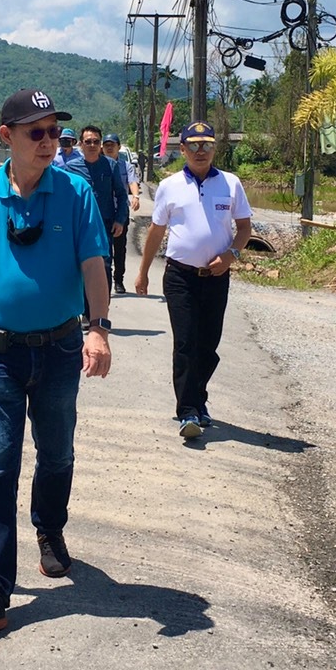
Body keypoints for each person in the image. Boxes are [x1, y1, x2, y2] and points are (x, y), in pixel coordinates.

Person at [0, 88, 113, 633]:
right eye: (36, 132)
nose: (48, 141)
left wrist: (98, 329)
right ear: (6, 137)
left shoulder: (76, 192)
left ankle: (49, 527)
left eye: (54, 131)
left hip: (59, 349)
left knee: (57, 453)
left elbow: (93, 263)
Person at [135, 121, 252, 440]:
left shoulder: (230, 183)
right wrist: (143, 272)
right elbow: (156, 231)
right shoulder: (169, 186)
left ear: (214, 149)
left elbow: (244, 229)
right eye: (194, 145)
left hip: (216, 277)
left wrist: (230, 256)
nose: (201, 151)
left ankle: (199, 400)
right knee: (186, 342)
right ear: (183, 149)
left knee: (208, 345)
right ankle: (187, 410)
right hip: (180, 276)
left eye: (207, 145)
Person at [65, 125, 128, 307]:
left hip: (104, 225)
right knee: (80, 266)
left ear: (100, 144)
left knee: (104, 266)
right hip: (79, 225)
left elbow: (121, 195)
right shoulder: (71, 168)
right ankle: (84, 311)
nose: (92, 145)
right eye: (88, 142)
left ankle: (101, 310)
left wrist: (120, 220)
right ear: (80, 144)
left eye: (96, 141)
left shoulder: (111, 165)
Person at [103, 133, 140, 293]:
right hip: (102, 212)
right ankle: (104, 281)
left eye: (112, 145)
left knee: (119, 249)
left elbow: (132, 181)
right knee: (104, 249)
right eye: (106, 145)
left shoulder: (126, 166)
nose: (109, 148)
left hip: (120, 212)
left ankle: (118, 280)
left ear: (119, 147)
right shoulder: (99, 164)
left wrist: (136, 196)